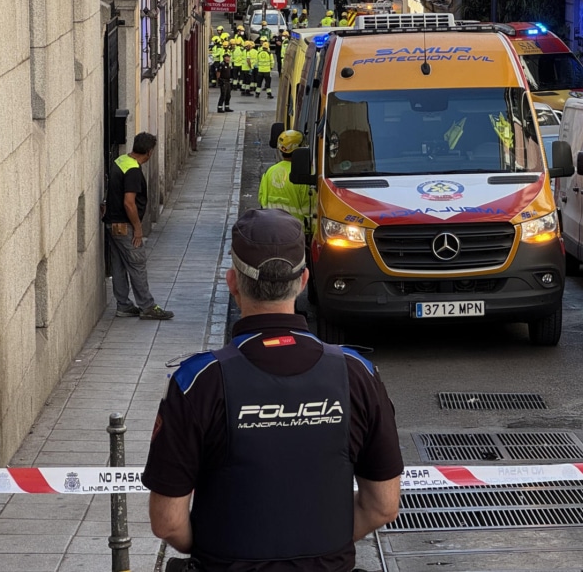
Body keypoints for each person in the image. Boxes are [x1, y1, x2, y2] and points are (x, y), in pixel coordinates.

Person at [142, 208, 402, 572]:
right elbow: (383, 506)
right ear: (304, 280)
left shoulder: (198, 382)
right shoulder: (357, 374)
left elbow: (167, 522)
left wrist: (214, 549)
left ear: (232, 282)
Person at [103, 133, 174, 320]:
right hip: (125, 226)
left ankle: (124, 306)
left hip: (112, 224)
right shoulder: (133, 170)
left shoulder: (121, 160)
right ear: (149, 152)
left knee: (119, 265)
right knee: (137, 264)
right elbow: (129, 203)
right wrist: (138, 228)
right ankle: (147, 306)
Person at [258, 130, 314, 229]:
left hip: (272, 227)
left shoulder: (269, 171)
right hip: (295, 230)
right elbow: (308, 208)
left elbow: (262, 199)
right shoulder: (302, 175)